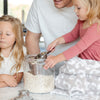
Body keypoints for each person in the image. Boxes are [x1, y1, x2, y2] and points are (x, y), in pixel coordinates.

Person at [43, 0, 100, 96]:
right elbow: (72, 35)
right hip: (84, 61)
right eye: (74, 7)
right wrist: (57, 41)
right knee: (70, 66)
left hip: (95, 64)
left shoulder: (96, 27)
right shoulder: (82, 22)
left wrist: (56, 59)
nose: (75, 11)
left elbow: (78, 47)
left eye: (78, 8)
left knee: (71, 64)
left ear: (92, 7)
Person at [25, 0, 78, 74]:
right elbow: (32, 38)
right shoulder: (39, 3)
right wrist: (38, 72)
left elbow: (83, 44)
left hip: (79, 71)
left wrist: (57, 58)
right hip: (50, 70)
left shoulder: (89, 6)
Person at [0, 15, 26, 88]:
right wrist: (3, 77)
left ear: (16, 37)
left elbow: (17, 78)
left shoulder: (21, 51)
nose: (2, 37)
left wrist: (3, 83)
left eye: (7, 34)